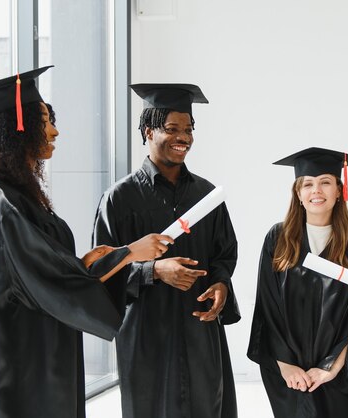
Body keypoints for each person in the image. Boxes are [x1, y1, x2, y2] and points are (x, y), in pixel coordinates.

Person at [0, 66, 173, 418]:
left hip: (41, 339)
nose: (54, 130)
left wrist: (88, 262)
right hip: (25, 351)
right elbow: (48, 277)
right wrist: (129, 253)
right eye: (44, 121)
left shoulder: (18, 195)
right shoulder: (4, 202)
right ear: (15, 129)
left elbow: (42, 269)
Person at [92, 83, 240, 418]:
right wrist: (154, 270)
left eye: (188, 129)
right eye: (172, 129)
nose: (183, 137)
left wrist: (220, 285)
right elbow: (101, 270)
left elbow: (224, 254)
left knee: (206, 405)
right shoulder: (120, 199)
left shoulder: (207, 195)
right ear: (148, 131)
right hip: (147, 335)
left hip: (199, 328)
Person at [247, 147, 348, 418]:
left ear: (339, 191)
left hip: (337, 373)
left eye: (325, 182)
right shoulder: (278, 238)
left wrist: (332, 366)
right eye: (308, 184)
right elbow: (267, 305)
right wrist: (285, 365)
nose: (316, 191)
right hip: (290, 374)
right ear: (298, 193)